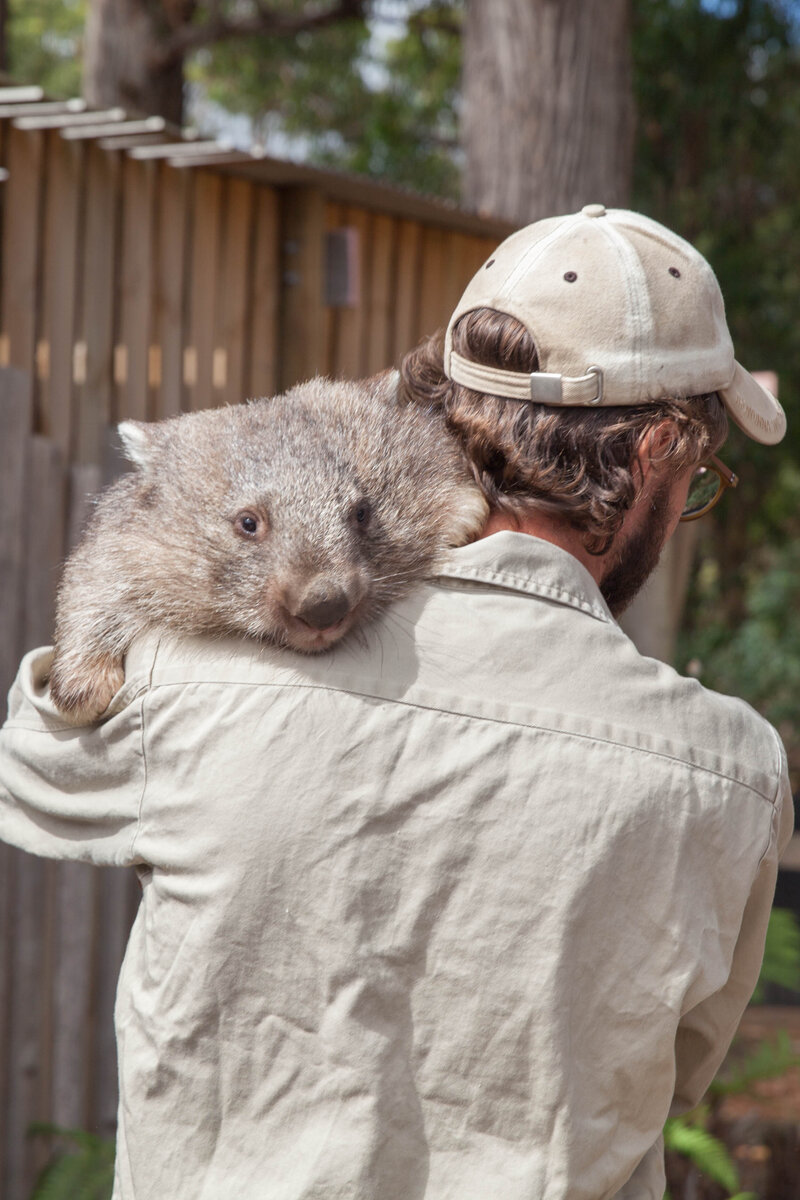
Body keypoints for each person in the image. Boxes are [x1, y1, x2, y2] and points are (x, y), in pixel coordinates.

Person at [0, 205, 793, 1200]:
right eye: (698, 481)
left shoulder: (181, 680)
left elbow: (37, 769)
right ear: (653, 459)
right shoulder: (729, 774)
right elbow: (670, 1078)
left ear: (456, 422)